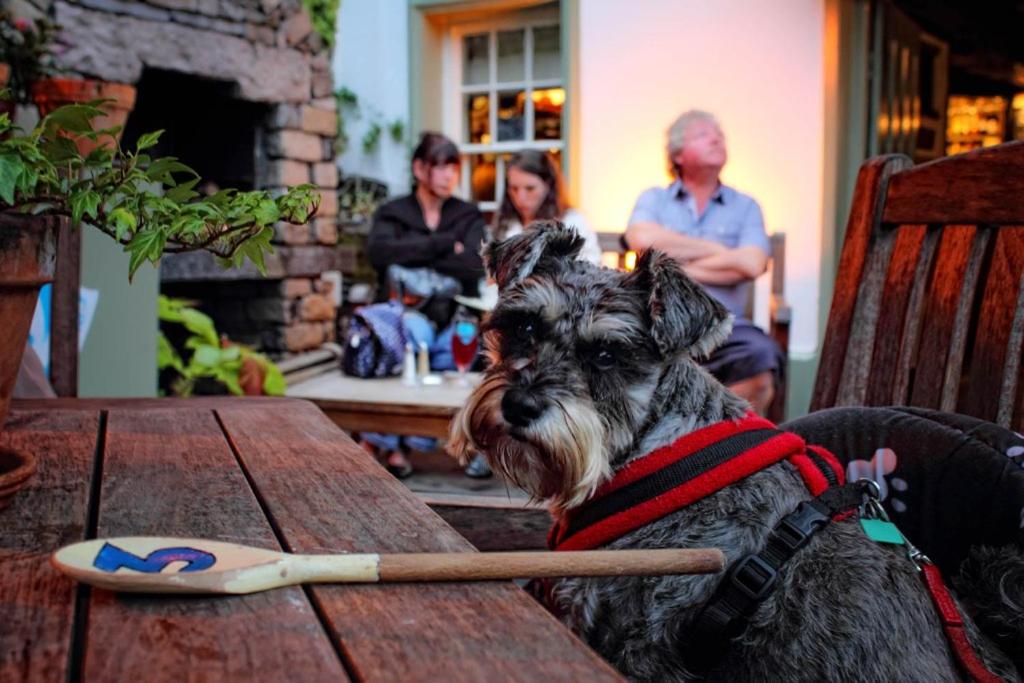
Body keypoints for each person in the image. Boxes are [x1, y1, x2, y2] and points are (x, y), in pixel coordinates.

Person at [624, 110, 783, 414]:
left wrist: (674, 268)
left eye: (719, 135)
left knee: (761, 357)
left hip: (727, 327)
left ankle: (721, 436)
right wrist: (720, 251)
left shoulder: (746, 206)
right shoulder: (654, 198)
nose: (716, 139)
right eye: (702, 135)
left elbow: (752, 263)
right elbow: (641, 238)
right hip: (660, 322)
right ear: (678, 155)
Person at [362, 132, 486, 479]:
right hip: (406, 311)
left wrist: (413, 252)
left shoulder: (467, 214)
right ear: (420, 169)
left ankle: (401, 444)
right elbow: (380, 254)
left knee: (454, 349)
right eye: (441, 167)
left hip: (456, 313)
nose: (449, 176)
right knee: (413, 337)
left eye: (454, 168)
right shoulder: (393, 212)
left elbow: (474, 264)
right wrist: (445, 244)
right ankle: (396, 443)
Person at [492, 149, 602, 265]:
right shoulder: (506, 222)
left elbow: (590, 267)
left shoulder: (572, 222)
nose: (520, 198)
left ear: (548, 185)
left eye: (530, 189)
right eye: (514, 189)